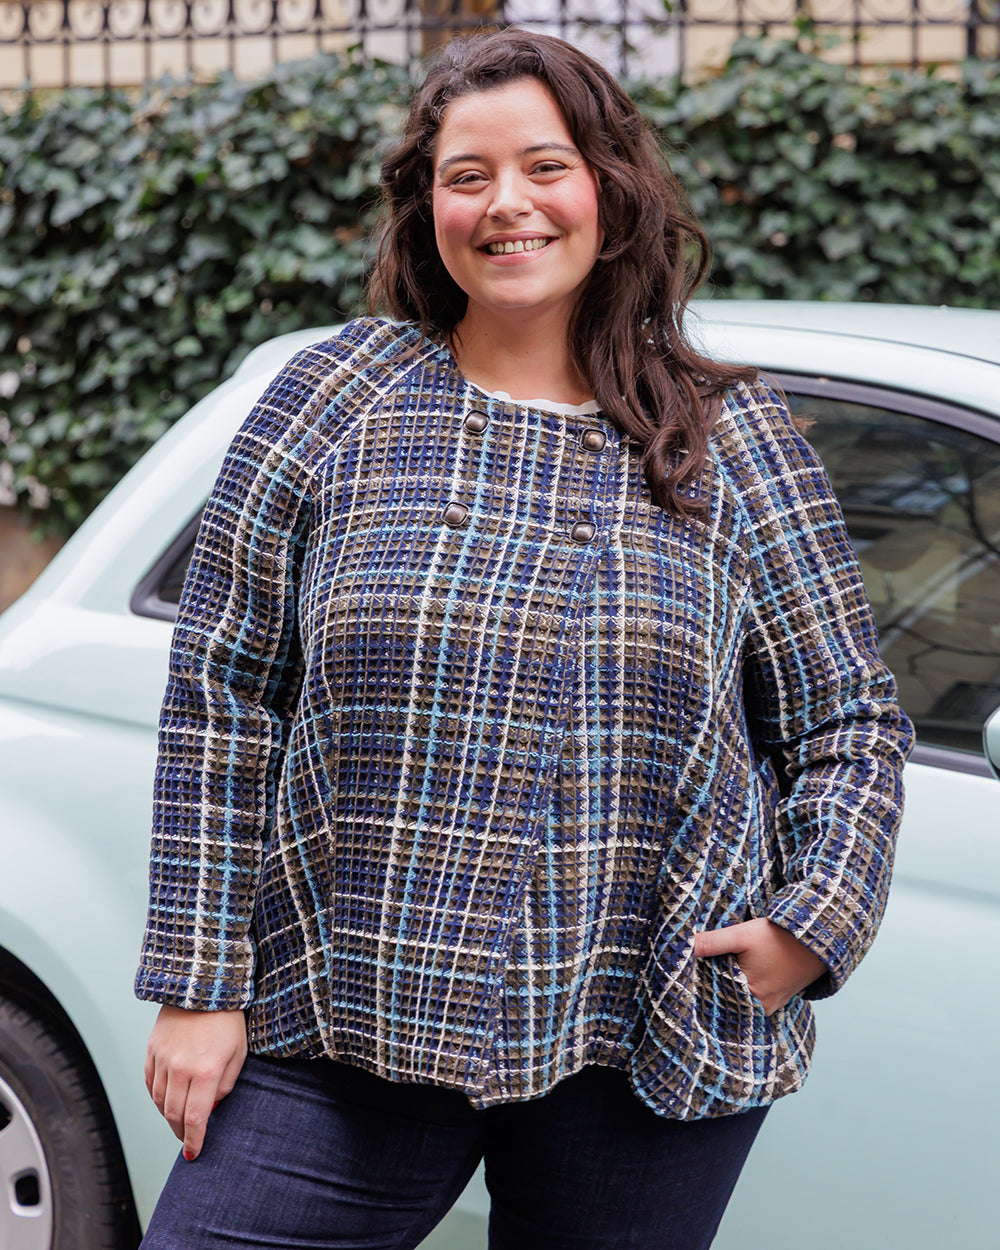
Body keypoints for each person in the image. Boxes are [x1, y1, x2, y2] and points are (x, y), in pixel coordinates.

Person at [135, 27, 913, 1250]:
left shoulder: (731, 436)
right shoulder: (330, 398)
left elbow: (846, 716)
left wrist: (815, 924)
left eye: (545, 166)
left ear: (607, 185)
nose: (508, 205)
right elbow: (224, 693)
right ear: (425, 205)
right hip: (336, 1014)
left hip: (647, 1024)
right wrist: (196, 979)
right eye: (466, 175)